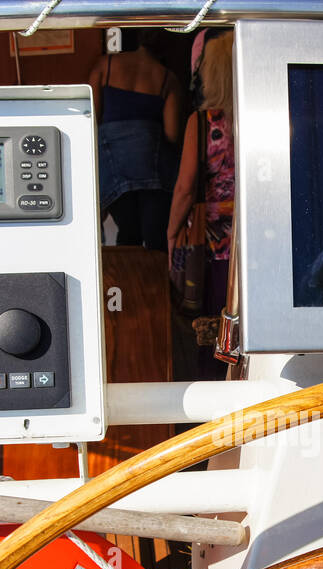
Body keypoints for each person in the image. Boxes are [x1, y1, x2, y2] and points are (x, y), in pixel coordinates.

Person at [167, 30, 235, 380]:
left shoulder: (203, 122)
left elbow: (184, 188)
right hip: (258, 244)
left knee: (213, 331)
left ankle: (217, 405)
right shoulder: (264, 114)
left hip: (214, 249)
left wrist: (170, 233)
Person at [89, 30, 183, 250]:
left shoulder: (105, 66)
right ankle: (157, 283)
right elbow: (172, 133)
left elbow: (91, 118)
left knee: (128, 233)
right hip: (152, 169)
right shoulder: (168, 79)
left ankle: (126, 283)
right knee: (154, 240)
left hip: (114, 169)